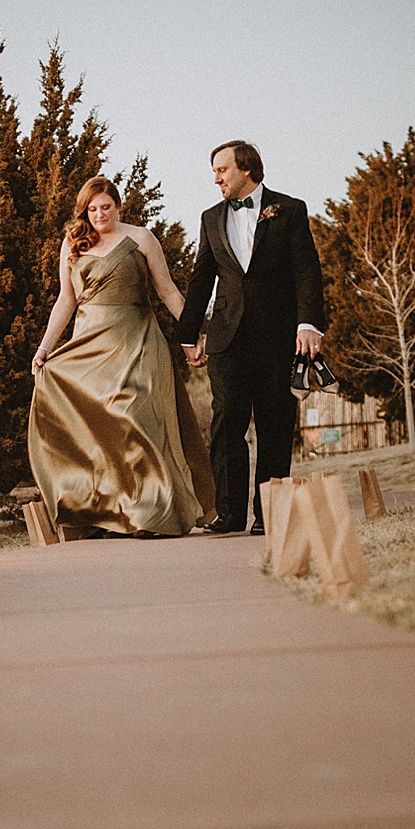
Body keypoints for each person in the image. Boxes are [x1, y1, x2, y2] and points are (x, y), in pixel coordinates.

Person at [28, 176, 213, 538]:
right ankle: (109, 513)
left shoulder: (141, 238)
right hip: (90, 346)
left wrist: (193, 334)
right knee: (101, 429)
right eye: (92, 209)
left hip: (138, 339)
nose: (99, 214)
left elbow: (167, 290)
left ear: (118, 205)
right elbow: (66, 300)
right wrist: (45, 347)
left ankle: (154, 512)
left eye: (106, 207)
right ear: (84, 210)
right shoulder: (72, 244)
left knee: (137, 416)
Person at [175, 141, 328, 534]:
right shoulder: (211, 218)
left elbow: (307, 272)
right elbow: (201, 279)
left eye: (222, 170)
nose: (216, 178)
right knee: (227, 424)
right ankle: (228, 515)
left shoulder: (289, 210)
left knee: (276, 423)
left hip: (279, 338)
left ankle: (270, 515)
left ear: (246, 169)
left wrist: (308, 324)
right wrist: (188, 335)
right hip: (227, 339)